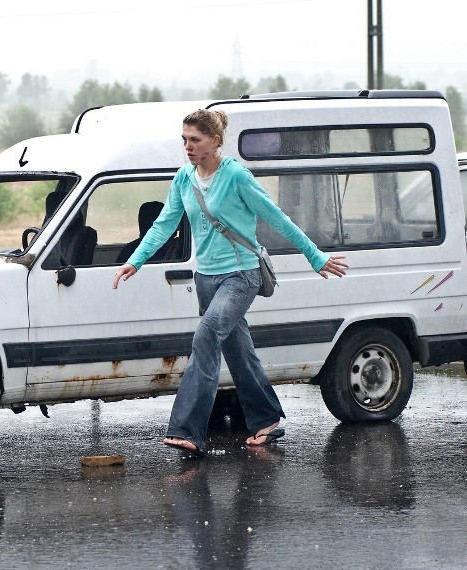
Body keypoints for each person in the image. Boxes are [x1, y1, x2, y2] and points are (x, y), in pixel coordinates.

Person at [112, 109, 348, 457]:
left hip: (241, 275)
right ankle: (267, 420)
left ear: (215, 141)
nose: (188, 147)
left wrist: (315, 256)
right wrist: (136, 260)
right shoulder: (184, 179)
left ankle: (188, 430)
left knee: (206, 335)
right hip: (206, 278)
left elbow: (275, 217)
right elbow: (164, 225)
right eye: (184, 140)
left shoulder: (236, 175)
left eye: (195, 140)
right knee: (239, 352)